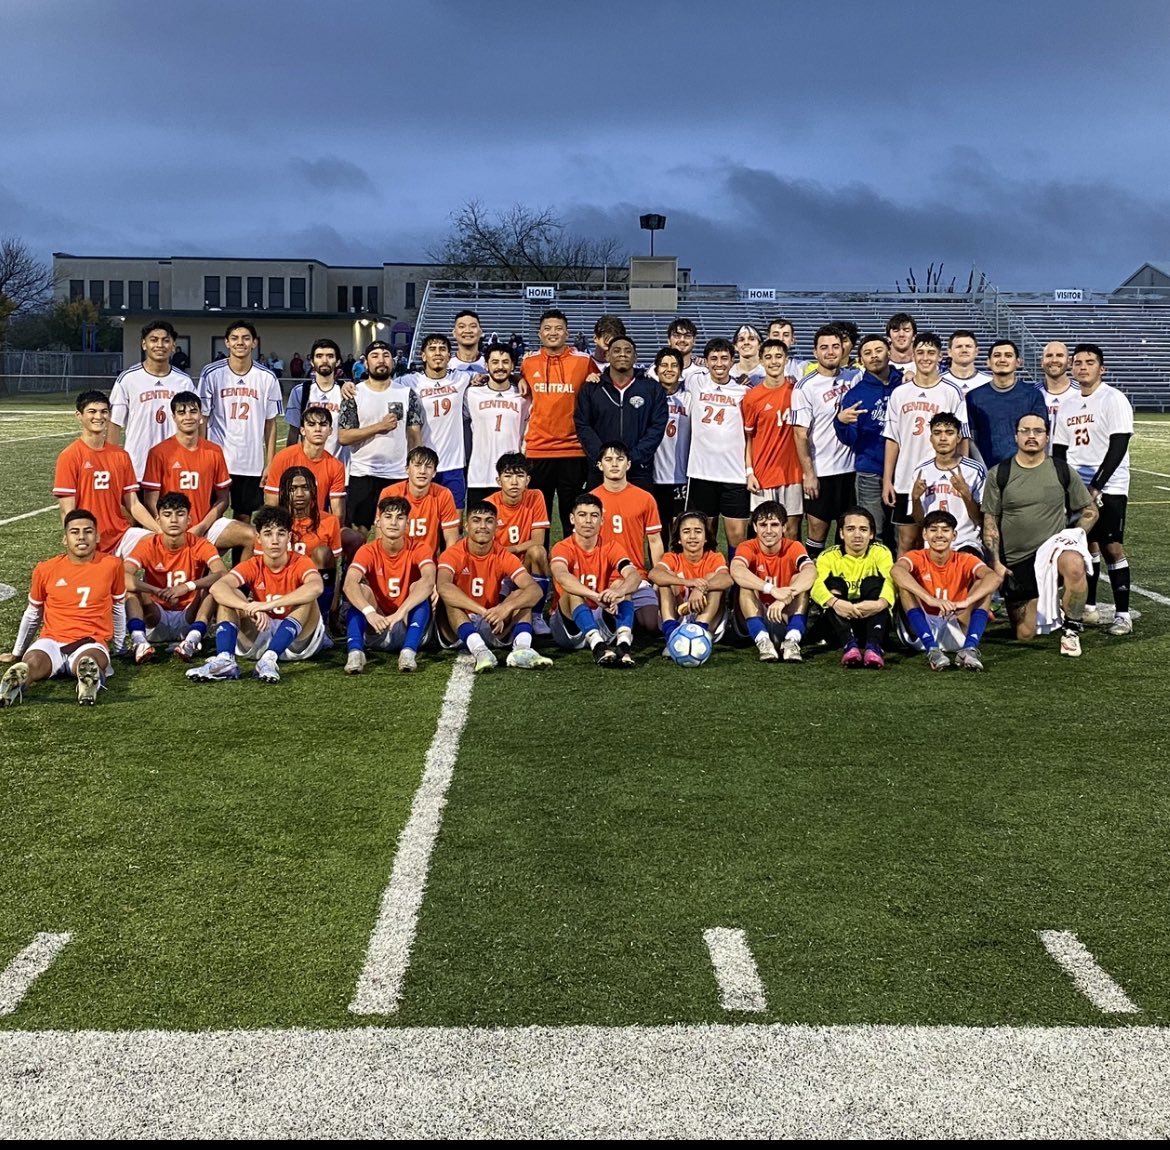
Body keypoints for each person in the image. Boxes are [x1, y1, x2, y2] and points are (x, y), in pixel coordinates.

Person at [981, 415, 1097, 656]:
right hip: (1017, 562)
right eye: (1025, 431)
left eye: (1038, 431)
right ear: (1016, 436)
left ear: (1047, 437)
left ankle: (1071, 631)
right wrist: (996, 563)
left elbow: (1089, 511)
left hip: (1054, 555)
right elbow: (990, 523)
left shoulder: (1061, 469)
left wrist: (1073, 537)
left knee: (1075, 563)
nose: (1031, 436)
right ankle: (1047, 602)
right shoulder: (999, 473)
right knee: (1025, 634)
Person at [185, 505, 327, 683]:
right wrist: (248, 607)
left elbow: (316, 587)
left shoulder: (301, 561)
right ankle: (225, 660)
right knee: (230, 595)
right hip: (261, 630)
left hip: (298, 642)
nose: (274, 540)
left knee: (308, 598)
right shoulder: (253, 564)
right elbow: (217, 588)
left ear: (289, 537)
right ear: (258, 538)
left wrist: (266, 606)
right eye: (268, 534)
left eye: (281, 533)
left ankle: (269, 659)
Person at [0, 509, 126, 707]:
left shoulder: (112, 565)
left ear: (97, 536)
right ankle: (18, 680)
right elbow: (33, 613)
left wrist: (119, 645)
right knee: (33, 660)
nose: (82, 537)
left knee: (90, 659)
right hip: (51, 640)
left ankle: (87, 681)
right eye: (75, 532)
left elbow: (118, 607)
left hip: (90, 640)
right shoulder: (45, 569)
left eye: (88, 531)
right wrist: (18, 652)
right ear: (65, 539)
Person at [1051, 343, 1135, 636]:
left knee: (1111, 546)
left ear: (1102, 368)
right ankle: (1088, 607)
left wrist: (1097, 484)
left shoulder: (1114, 399)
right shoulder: (1069, 404)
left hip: (1108, 485)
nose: (1083, 367)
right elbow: (1060, 449)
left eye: (1090, 362)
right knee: (1083, 544)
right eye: (1078, 363)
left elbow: (1119, 444)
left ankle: (1123, 614)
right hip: (1077, 484)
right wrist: (1067, 485)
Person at [436, 502, 552, 673]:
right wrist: (484, 611)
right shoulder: (453, 553)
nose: (483, 526)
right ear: (466, 526)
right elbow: (443, 586)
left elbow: (535, 590)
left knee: (522, 595)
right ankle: (480, 651)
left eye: (489, 521)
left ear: (496, 526)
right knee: (450, 598)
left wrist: (505, 608)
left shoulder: (503, 554)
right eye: (476, 520)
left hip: (494, 624)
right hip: (458, 628)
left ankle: (522, 648)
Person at [197, 321, 283, 546]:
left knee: (244, 519)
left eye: (246, 338)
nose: (240, 343)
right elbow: (202, 419)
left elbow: (270, 423)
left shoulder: (266, 377)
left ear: (254, 343)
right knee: (209, 516)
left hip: (250, 462)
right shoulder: (212, 373)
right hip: (218, 460)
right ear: (226, 342)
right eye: (234, 338)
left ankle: (238, 575)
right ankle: (205, 570)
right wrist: (202, 456)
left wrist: (270, 462)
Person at [882, 332, 968, 555]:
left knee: (939, 540)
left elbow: (962, 438)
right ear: (913, 354)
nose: (925, 357)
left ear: (940, 356)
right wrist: (887, 480)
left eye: (931, 352)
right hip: (906, 476)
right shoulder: (899, 393)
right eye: (920, 352)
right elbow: (893, 439)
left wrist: (962, 473)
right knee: (907, 541)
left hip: (942, 476)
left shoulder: (951, 392)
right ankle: (905, 590)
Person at [141, 390, 254, 553]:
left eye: (193, 411)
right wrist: (167, 530)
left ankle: (238, 578)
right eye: (181, 412)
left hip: (205, 525)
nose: (188, 417)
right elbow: (151, 501)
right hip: (170, 527)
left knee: (251, 535)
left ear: (201, 416)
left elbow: (223, 499)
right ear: (173, 417)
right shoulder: (159, 452)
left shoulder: (214, 451)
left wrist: (202, 526)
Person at [123, 492, 227, 663]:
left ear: (189, 520)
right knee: (131, 588)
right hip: (156, 616)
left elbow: (222, 573)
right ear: (158, 520)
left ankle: (192, 640)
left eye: (179, 514)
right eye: (167, 514)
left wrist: (188, 586)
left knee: (215, 587)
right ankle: (140, 642)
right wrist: (154, 589)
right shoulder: (148, 544)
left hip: (189, 614)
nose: (173, 520)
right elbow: (122, 575)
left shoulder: (199, 544)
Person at [891, 509, 1001, 671]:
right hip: (921, 628)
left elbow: (994, 578)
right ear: (925, 534)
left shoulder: (965, 559)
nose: (939, 535)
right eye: (934, 530)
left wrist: (966, 602)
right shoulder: (916, 556)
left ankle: (969, 650)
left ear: (954, 535)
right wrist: (930, 599)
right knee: (905, 587)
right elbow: (896, 571)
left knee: (983, 586)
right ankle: (932, 650)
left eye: (945, 530)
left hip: (955, 619)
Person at [53, 390, 158, 559]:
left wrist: (160, 531)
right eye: (92, 411)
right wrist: (75, 538)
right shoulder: (70, 456)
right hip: (89, 538)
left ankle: (154, 584)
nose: (99, 417)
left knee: (160, 546)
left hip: (120, 535)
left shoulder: (121, 455)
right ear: (79, 416)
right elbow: (67, 510)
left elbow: (133, 504)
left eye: (104, 411)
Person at [520, 308, 598, 536]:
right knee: (537, 521)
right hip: (538, 450)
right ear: (539, 334)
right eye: (547, 329)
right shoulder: (529, 362)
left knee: (571, 517)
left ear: (567, 332)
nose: (553, 333)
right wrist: (519, 378)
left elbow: (598, 387)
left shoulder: (584, 361)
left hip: (573, 451)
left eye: (558, 328)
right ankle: (538, 569)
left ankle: (572, 565)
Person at [337, 340, 422, 535]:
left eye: (386, 356)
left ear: (393, 361)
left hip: (397, 475)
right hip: (363, 474)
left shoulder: (407, 394)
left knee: (395, 533)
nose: (381, 360)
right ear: (366, 363)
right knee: (358, 533)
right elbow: (344, 436)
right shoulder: (354, 393)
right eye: (375, 356)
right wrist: (378, 427)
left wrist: (415, 469)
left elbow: (414, 436)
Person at [343, 495, 435, 674]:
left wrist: (401, 613)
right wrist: (369, 613)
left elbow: (429, 581)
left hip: (409, 623)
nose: (393, 522)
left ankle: (408, 652)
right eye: (388, 516)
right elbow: (348, 584)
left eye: (400, 518)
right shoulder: (367, 550)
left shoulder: (420, 548)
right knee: (360, 591)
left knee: (418, 587)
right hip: (378, 624)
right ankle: (355, 652)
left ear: (407, 523)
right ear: (378, 521)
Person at [549, 492, 642, 667]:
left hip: (601, 619)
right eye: (582, 515)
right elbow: (561, 576)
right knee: (572, 591)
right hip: (569, 629)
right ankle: (597, 646)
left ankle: (624, 645)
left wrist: (618, 592)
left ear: (602, 521)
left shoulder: (611, 546)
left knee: (621, 584)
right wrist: (595, 596)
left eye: (594, 516)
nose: (588, 521)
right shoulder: (562, 547)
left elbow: (634, 576)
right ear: (572, 519)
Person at [792, 325, 861, 561]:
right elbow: (800, 434)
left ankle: (842, 588)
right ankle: (811, 590)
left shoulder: (856, 377)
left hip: (851, 471)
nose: (830, 352)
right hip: (822, 471)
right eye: (824, 347)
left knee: (849, 536)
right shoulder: (805, 387)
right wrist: (809, 473)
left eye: (835, 346)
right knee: (817, 535)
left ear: (844, 349)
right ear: (815, 352)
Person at [684, 337, 751, 559]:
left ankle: (736, 588)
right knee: (706, 532)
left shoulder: (743, 391)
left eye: (724, 358)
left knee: (737, 534)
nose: (719, 363)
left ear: (733, 361)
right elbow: (667, 370)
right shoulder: (695, 382)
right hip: (702, 471)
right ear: (706, 361)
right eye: (713, 358)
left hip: (734, 473)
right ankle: (709, 583)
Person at [574, 335, 667, 490]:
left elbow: (657, 427)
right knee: (598, 513)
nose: (622, 354)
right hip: (600, 469)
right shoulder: (591, 388)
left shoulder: (652, 388)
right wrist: (604, 457)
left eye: (628, 351)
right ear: (607, 355)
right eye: (616, 351)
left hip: (639, 469)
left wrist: (633, 457)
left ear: (635, 356)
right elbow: (583, 425)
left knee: (638, 513)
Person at [834, 333, 901, 547]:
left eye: (878, 351)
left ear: (889, 352)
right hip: (870, 470)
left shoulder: (906, 385)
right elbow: (850, 439)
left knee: (905, 532)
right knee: (874, 531)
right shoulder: (856, 394)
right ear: (861, 360)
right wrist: (841, 422)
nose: (874, 356)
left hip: (905, 469)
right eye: (867, 353)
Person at [591, 441, 664, 632]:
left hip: (636, 576)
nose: (614, 464)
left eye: (620, 459)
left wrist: (657, 577)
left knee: (651, 624)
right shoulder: (591, 500)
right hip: (601, 578)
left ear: (628, 464)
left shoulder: (645, 498)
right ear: (600, 465)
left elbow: (655, 541)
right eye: (608, 459)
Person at [730, 500, 815, 662]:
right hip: (754, 617)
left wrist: (785, 597)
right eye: (763, 525)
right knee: (745, 585)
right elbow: (736, 570)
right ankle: (763, 641)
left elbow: (811, 572)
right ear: (755, 527)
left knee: (800, 579)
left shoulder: (793, 547)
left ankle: (792, 641)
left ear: (784, 527)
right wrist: (771, 589)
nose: (768, 531)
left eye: (774, 525)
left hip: (783, 615)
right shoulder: (748, 547)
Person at [810, 506, 895, 668]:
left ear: (871, 534)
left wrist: (880, 604)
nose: (857, 535)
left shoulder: (881, 552)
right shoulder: (829, 556)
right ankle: (849, 646)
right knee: (834, 584)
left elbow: (892, 580)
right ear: (841, 533)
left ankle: (874, 647)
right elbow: (814, 585)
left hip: (872, 618)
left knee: (875, 583)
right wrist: (835, 603)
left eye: (863, 529)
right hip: (839, 622)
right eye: (850, 529)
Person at [108, 320, 191, 479]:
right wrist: (111, 461)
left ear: (173, 345)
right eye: (154, 340)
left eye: (166, 340)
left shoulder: (184, 381)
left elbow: (193, 423)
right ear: (144, 344)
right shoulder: (128, 379)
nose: (160, 345)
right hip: (137, 465)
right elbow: (115, 423)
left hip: (174, 465)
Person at [406, 333, 477, 508]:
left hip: (453, 463)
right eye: (432, 349)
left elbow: (494, 375)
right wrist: (348, 385)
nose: (437, 353)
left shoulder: (460, 378)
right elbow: (382, 386)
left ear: (449, 356)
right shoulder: (409, 381)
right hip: (422, 465)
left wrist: (517, 378)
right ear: (423, 355)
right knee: (424, 519)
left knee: (455, 522)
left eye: (442, 349)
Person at [268, 466, 343, 628]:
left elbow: (333, 572)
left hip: (312, 587)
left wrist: (334, 610)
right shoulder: (272, 522)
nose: (300, 494)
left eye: (305, 488)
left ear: (314, 491)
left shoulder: (329, 521)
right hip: (280, 585)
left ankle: (321, 622)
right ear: (283, 492)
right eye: (293, 489)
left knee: (322, 552)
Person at [743, 337, 804, 537]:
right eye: (768, 357)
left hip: (792, 472)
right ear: (761, 361)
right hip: (763, 474)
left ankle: (790, 568)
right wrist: (750, 471)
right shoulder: (752, 397)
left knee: (791, 530)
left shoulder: (798, 392)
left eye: (778, 356)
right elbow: (748, 438)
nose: (774, 361)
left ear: (786, 359)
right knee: (765, 531)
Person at [487, 453, 552, 635]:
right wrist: (506, 557)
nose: (514, 482)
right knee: (498, 623)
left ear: (528, 479)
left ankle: (537, 615)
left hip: (525, 566)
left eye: (520, 476)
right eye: (508, 476)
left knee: (538, 551)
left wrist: (511, 549)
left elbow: (538, 540)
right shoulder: (489, 504)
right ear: (498, 480)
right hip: (500, 568)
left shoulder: (536, 497)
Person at [649, 509, 732, 646]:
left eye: (698, 531)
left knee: (714, 578)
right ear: (679, 539)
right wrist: (687, 582)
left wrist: (701, 587)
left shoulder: (714, 557)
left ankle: (699, 630)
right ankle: (671, 635)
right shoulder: (672, 557)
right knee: (666, 578)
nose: (692, 536)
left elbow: (727, 579)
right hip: (678, 613)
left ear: (706, 537)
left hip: (708, 622)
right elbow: (654, 574)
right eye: (686, 532)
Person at [909, 413, 986, 555]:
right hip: (933, 545)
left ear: (958, 438)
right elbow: (920, 521)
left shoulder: (975, 470)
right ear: (931, 438)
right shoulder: (921, 471)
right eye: (937, 433)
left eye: (949, 433)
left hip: (966, 543)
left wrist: (966, 494)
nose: (943, 438)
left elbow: (980, 519)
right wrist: (915, 499)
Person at [965, 339, 1049, 468]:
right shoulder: (974, 397)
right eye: (997, 355)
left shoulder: (1032, 395)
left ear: (1018, 362)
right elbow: (971, 440)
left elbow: (1040, 436)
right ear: (988, 362)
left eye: (1008, 356)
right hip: (987, 472)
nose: (1002, 360)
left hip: (1024, 471)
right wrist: (982, 470)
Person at [464, 343, 530, 506]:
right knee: (479, 528)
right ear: (486, 365)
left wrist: (519, 378)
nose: (500, 367)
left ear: (513, 365)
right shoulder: (471, 394)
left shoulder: (524, 396)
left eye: (505, 362)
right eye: (494, 362)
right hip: (479, 475)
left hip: (512, 476)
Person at [264, 405, 347, 519]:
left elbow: (337, 513)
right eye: (311, 425)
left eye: (323, 424)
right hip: (286, 524)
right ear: (302, 430)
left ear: (330, 431)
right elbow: (271, 504)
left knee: (353, 537)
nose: (318, 429)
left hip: (316, 524)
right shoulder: (282, 458)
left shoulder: (336, 466)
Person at [378, 445, 461, 560]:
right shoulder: (390, 493)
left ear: (434, 472)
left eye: (428, 466)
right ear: (407, 469)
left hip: (427, 562)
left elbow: (451, 537)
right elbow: (380, 534)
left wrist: (446, 566)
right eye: (417, 465)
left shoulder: (443, 494)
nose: (422, 471)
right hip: (395, 560)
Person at [649, 347, 691, 535]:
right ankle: (659, 565)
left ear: (681, 371)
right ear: (656, 370)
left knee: (678, 528)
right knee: (657, 530)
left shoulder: (689, 398)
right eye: (664, 365)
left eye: (674, 365)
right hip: (653, 476)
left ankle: (678, 565)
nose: (669, 369)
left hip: (680, 475)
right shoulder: (647, 396)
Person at [284, 338, 346, 456]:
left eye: (330, 356)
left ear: (337, 361)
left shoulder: (346, 393)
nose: (324, 360)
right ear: (312, 361)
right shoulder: (300, 392)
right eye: (319, 356)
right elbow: (293, 432)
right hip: (308, 467)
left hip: (340, 466)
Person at [1039, 341, 1079, 445]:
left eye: (1060, 355)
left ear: (1069, 361)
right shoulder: (1031, 393)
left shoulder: (1081, 392)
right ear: (1041, 362)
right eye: (1049, 355)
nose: (1054, 360)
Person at [941, 330, 990, 395]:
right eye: (959, 346)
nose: (964, 350)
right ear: (949, 352)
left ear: (976, 351)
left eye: (968, 346)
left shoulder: (989, 382)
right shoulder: (938, 382)